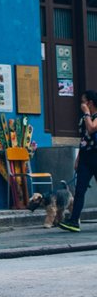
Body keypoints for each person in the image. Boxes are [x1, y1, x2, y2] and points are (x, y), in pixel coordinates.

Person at [59, 89, 97, 232]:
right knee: (80, 190)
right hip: (85, 158)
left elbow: (92, 128)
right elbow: (84, 139)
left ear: (90, 103)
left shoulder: (92, 117)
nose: (81, 104)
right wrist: (78, 158)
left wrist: (87, 112)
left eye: (83, 101)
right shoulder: (83, 119)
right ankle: (74, 221)